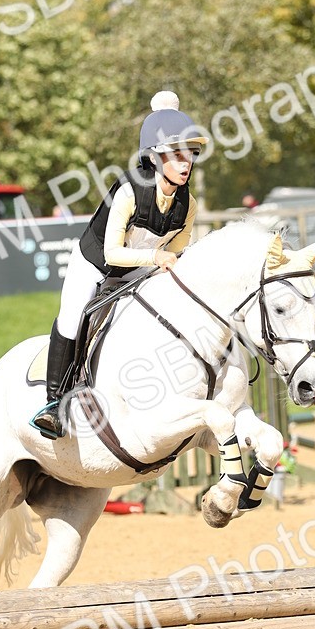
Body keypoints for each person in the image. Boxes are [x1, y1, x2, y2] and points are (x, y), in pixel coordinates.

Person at [30, 90, 207, 439]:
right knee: (72, 316)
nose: (185, 162)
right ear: (155, 158)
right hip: (96, 264)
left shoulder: (188, 205)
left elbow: (179, 249)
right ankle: (55, 403)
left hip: (140, 269)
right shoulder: (129, 191)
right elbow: (112, 254)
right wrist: (157, 257)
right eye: (176, 154)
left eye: (190, 153)